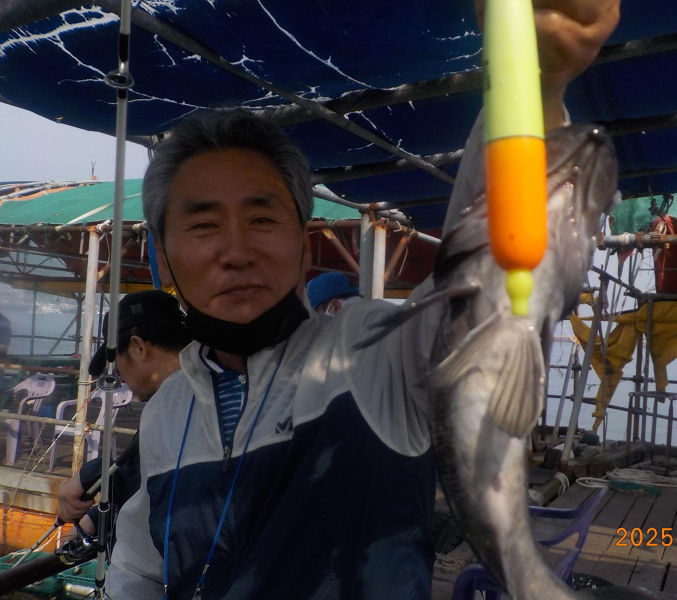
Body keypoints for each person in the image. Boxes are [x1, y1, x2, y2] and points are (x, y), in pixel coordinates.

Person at [107, 2, 620, 597]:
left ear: (304, 243)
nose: (236, 250)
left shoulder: (374, 354)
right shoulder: (166, 411)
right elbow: (138, 570)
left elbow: (482, 273)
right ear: (163, 253)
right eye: (203, 225)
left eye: (263, 218)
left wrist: (535, 82)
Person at [57, 291, 190, 549]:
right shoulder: (181, 397)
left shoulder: (184, 405)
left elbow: (166, 487)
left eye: (116, 363)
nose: (119, 375)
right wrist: (95, 517)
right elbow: (143, 481)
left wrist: (92, 474)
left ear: (138, 347)